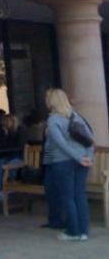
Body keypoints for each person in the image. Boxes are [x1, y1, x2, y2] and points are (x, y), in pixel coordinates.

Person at [43, 88, 93, 241]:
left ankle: (73, 231)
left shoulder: (53, 120)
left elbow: (61, 143)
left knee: (68, 196)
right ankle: (83, 231)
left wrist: (78, 158)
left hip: (63, 161)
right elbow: (90, 139)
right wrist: (87, 157)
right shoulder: (77, 116)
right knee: (80, 195)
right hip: (82, 161)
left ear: (51, 102)